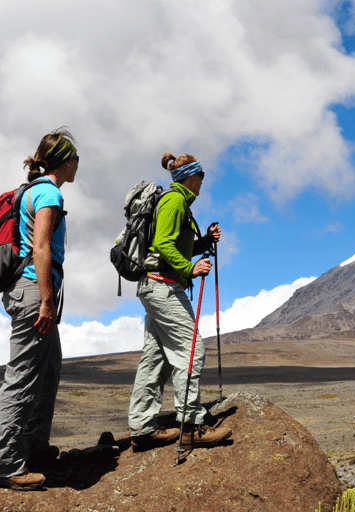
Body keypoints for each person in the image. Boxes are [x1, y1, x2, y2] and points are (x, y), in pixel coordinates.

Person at [0, 128, 79, 491]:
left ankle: (34, 448)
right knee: (22, 377)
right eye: (76, 158)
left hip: (28, 289)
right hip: (32, 292)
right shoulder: (48, 192)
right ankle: (5, 465)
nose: (78, 164)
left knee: (49, 367)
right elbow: (40, 248)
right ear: (66, 160)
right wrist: (44, 300)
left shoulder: (34, 189)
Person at [128, 152, 232, 455]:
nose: (202, 183)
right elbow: (162, 244)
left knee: (156, 358)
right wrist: (190, 269)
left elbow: (173, 245)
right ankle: (192, 426)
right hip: (164, 287)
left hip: (156, 287)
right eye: (201, 177)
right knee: (191, 350)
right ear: (191, 177)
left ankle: (142, 428)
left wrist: (203, 243)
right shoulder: (174, 201)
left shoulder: (178, 203)